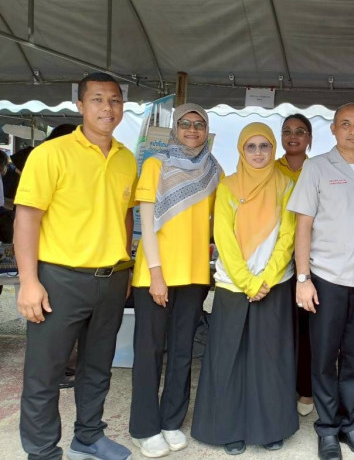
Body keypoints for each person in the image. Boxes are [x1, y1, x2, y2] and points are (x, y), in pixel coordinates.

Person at [15, 72, 137, 460]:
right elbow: (26, 218)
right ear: (80, 105)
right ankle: (42, 452)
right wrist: (29, 281)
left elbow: (126, 215)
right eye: (97, 99)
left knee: (98, 367)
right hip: (60, 279)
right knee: (45, 372)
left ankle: (88, 436)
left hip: (112, 279)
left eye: (114, 100)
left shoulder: (126, 158)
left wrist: (126, 265)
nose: (107, 107)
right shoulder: (51, 154)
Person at [288, 103, 354, 460]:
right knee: (323, 357)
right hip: (326, 277)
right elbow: (303, 226)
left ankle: (350, 424)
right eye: (345, 124)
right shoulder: (317, 168)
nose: (353, 130)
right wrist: (303, 278)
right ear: (333, 130)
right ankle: (328, 429)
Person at [191, 122, 298, 455]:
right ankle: (229, 429)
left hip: (274, 284)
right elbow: (223, 237)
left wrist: (266, 279)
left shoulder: (286, 184)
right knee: (229, 357)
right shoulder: (227, 186)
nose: (258, 153)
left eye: (264, 146)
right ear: (241, 149)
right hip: (233, 285)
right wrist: (248, 281)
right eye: (251, 146)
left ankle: (270, 428)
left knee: (270, 358)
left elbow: (288, 236)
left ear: (273, 149)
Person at [129, 104, 222, 457]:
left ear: (206, 130)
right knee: (150, 351)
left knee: (183, 350)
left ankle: (171, 421)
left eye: (199, 124)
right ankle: (144, 427)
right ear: (175, 127)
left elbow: (219, 221)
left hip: (194, 274)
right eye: (185, 123)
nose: (192, 129)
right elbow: (147, 222)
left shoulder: (214, 170)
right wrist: (156, 273)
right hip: (156, 274)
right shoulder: (157, 165)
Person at [276, 113, 315, 416]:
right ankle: (278, 387)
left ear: (310, 138)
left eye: (300, 131)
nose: (293, 136)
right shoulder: (267, 167)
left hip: (309, 259)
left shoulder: (318, 170)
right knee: (278, 327)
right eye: (287, 131)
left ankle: (306, 390)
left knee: (307, 328)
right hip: (274, 259)